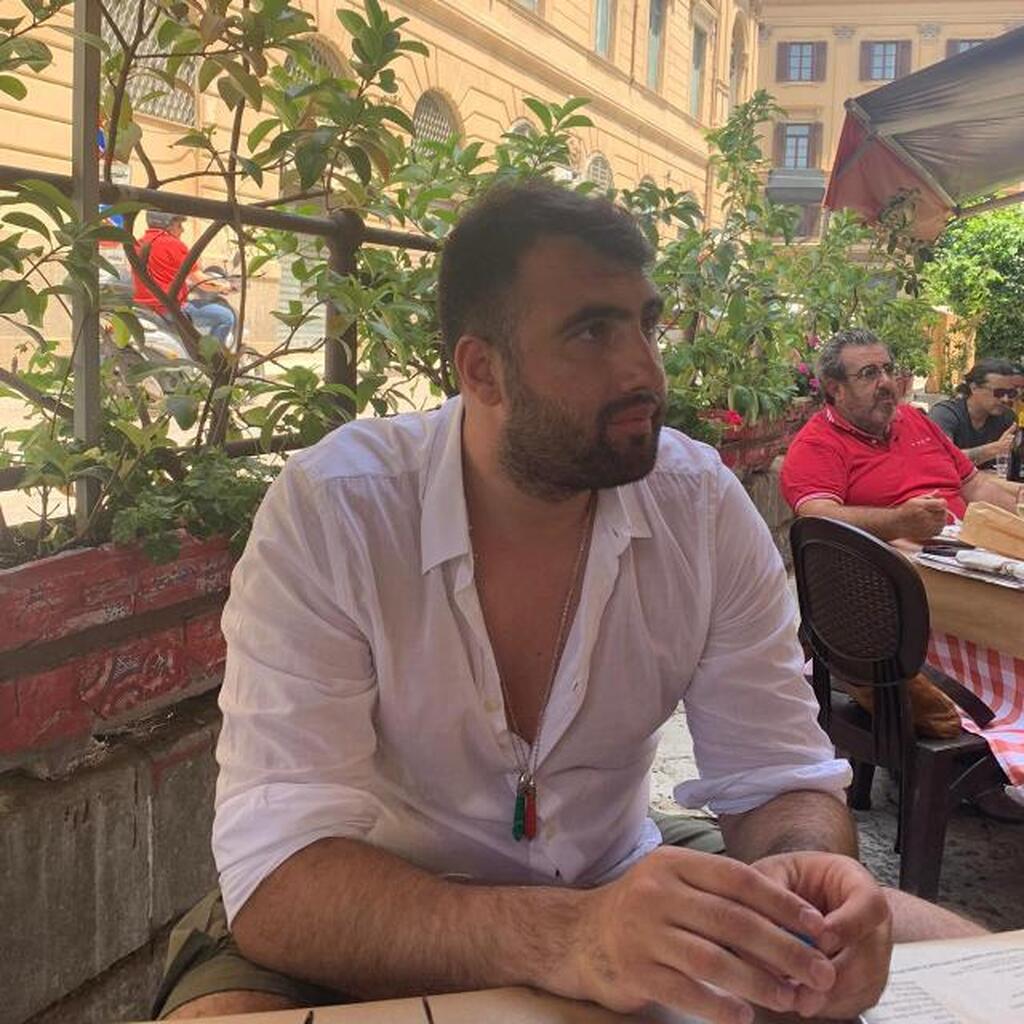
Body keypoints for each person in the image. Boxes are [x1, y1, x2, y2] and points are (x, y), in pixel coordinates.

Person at [158, 185, 985, 1024]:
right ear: (482, 370)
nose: (646, 372)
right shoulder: (339, 509)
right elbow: (280, 868)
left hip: (619, 874)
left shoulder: (699, 506)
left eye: (646, 326)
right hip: (378, 906)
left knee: (937, 944)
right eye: (592, 332)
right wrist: (569, 936)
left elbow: (777, 775)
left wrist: (805, 877)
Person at [780, 328, 1023, 541]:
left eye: (888, 369)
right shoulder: (817, 443)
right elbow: (818, 518)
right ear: (836, 389)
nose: (887, 382)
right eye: (869, 373)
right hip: (893, 569)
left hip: (967, 550)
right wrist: (897, 522)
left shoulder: (914, 419)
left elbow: (975, 485)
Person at [132, 211, 236, 344]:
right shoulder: (174, 245)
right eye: (179, 225)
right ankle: (211, 356)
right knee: (226, 317)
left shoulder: (137, 244)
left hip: (144, 308)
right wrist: (225, 286)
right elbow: (203, 282)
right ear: (168, 224)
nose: (183, 230)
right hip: (171, 310)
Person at [928, 358, 1019, 468]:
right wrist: (994, 449)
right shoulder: (944, 414)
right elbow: (940, 460)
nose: (1005, 399)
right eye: (998, 392)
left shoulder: (1007, 417)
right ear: (974, 387)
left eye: (1011, 393)